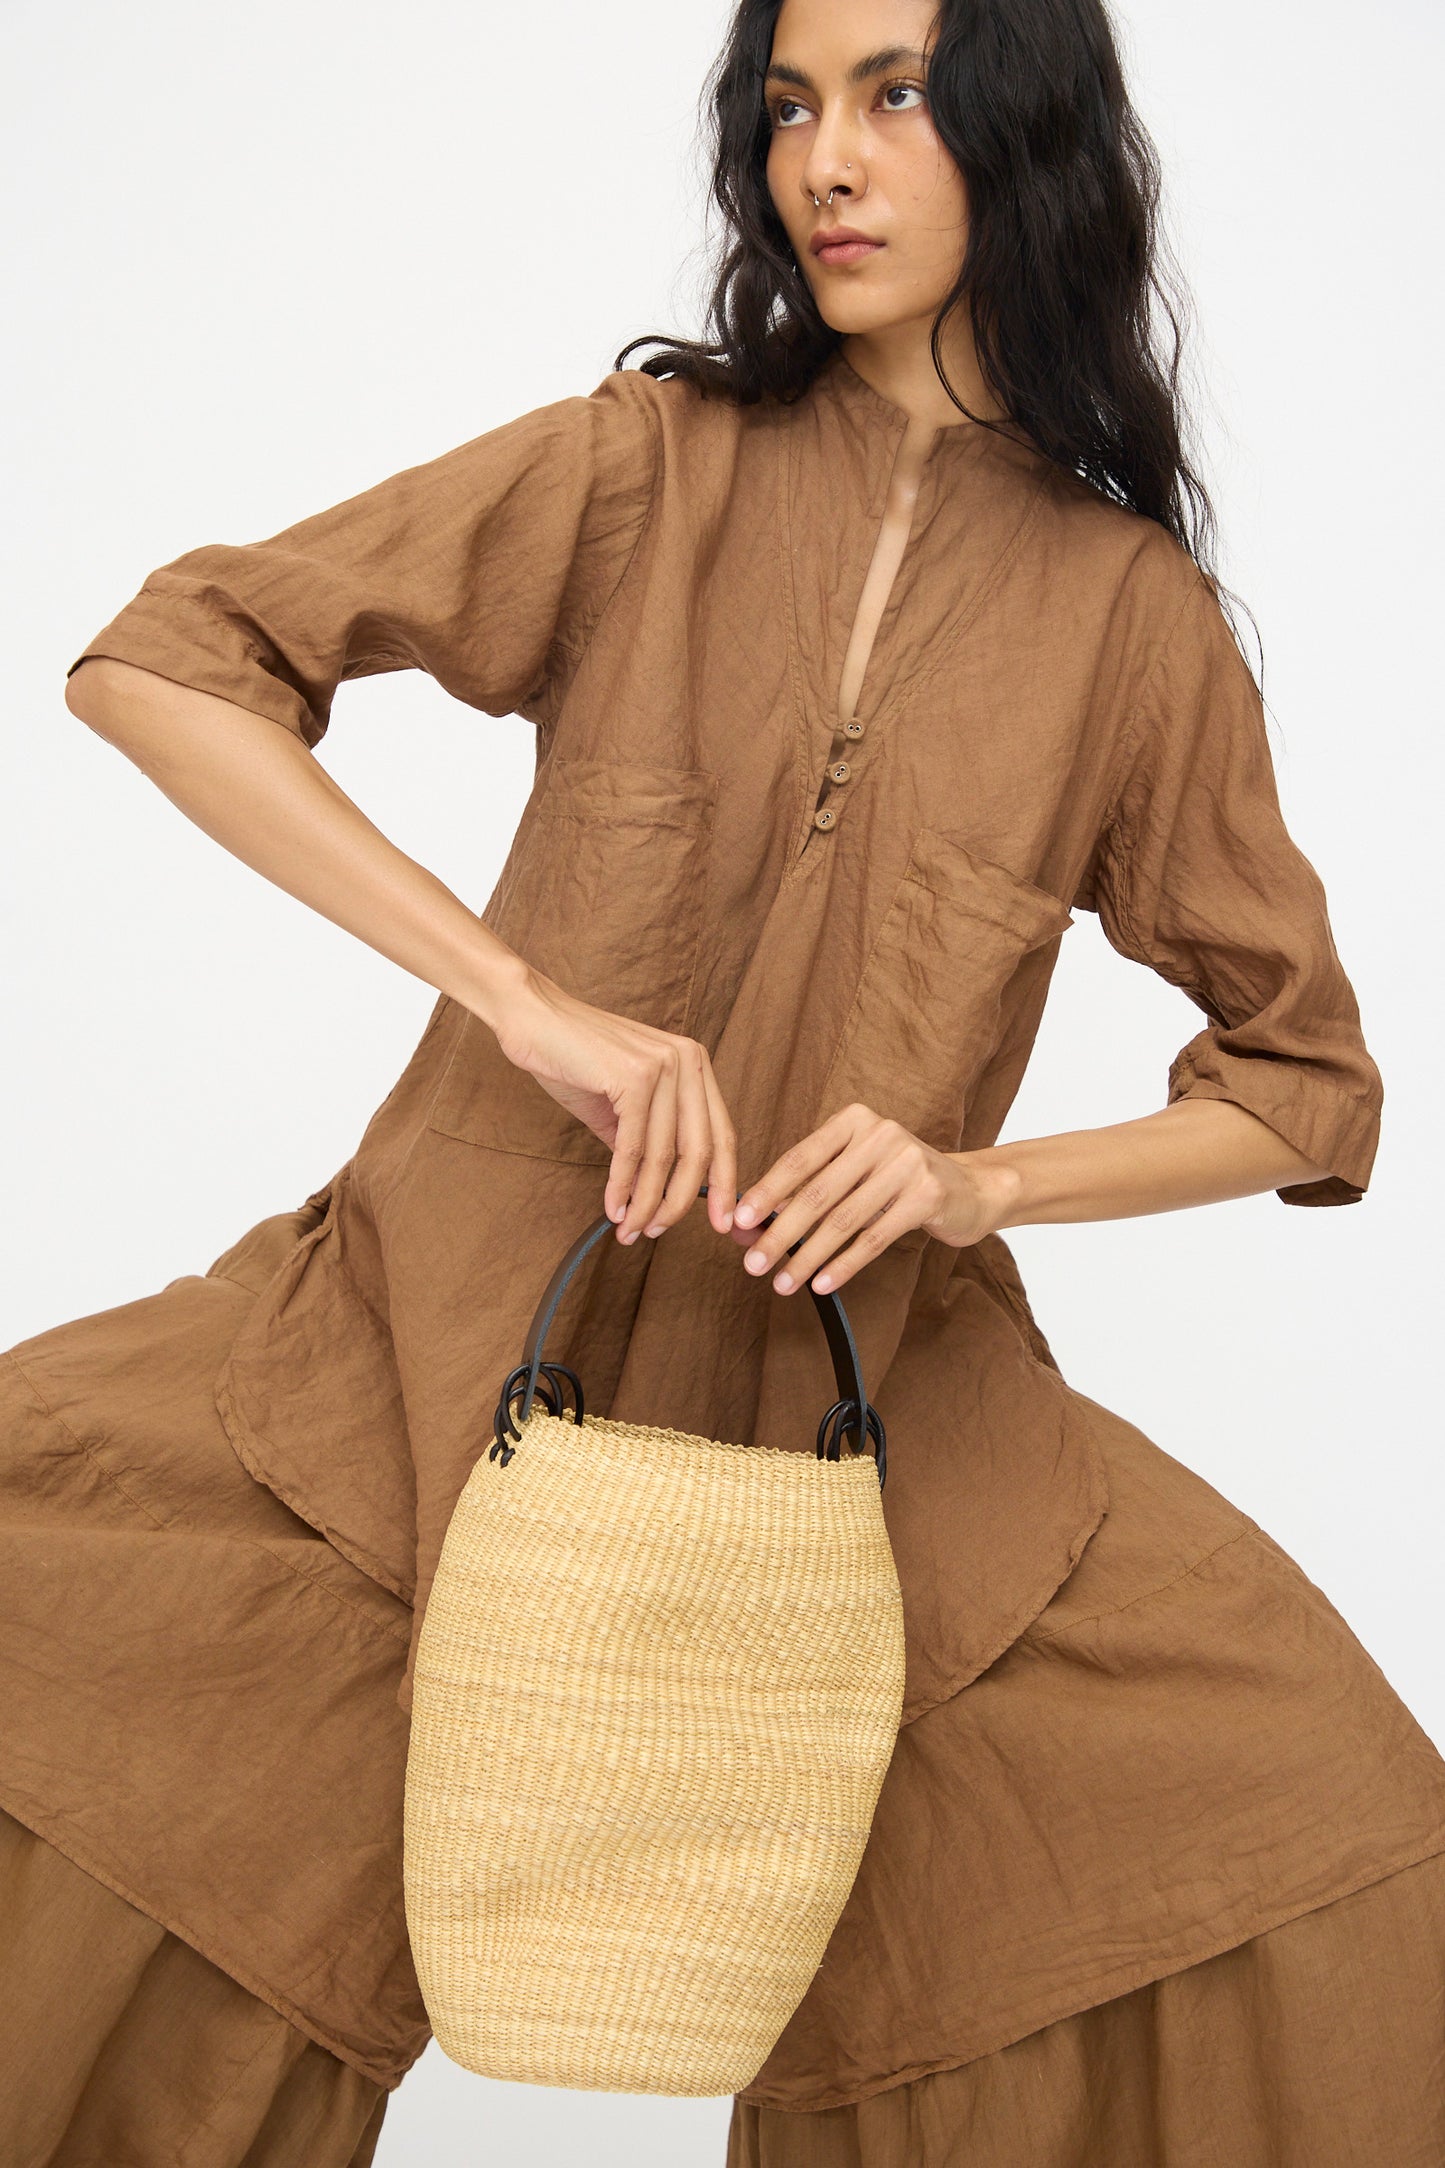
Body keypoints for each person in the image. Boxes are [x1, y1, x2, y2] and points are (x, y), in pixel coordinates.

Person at [5, 0, 1442, 2159]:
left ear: (1029, 132)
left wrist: (975, 1187)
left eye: (894, 96)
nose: (824, 162)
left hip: (870, 1463)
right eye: (787, 108)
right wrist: (521, 996)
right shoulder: (640, 469)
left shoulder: (1131, 620)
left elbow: (1306, 1087)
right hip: (414, 1381)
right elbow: (166, 661)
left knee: (1315, 1847)